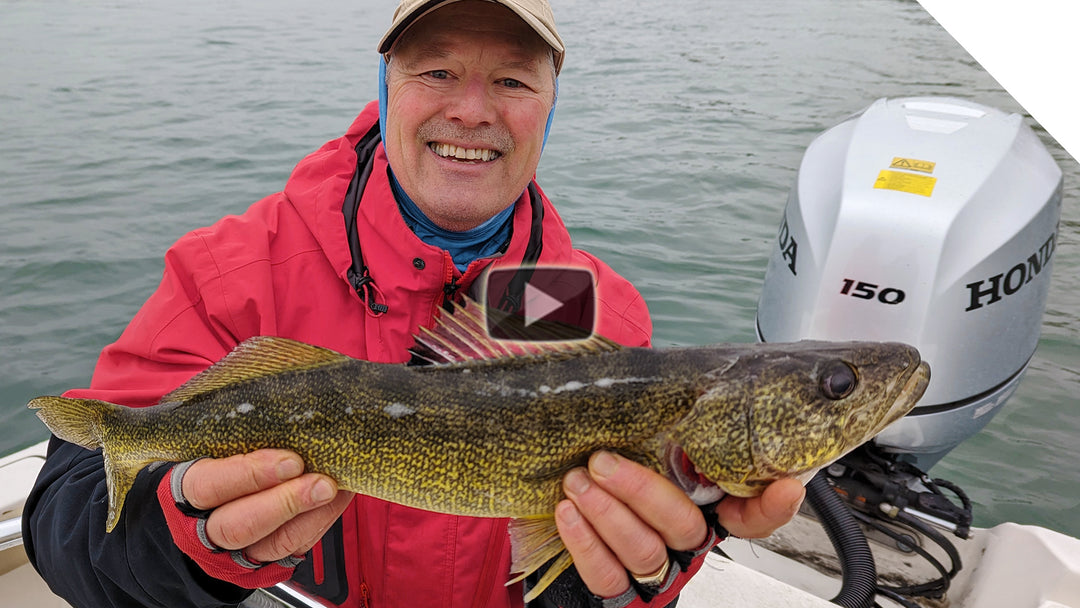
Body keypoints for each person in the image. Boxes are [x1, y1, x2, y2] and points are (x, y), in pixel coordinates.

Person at [23, 1, 806, 607]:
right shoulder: (230, 274)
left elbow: (583, 568)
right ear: (386, 86)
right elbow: (64, 524)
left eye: (512, 79)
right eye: (436, 71)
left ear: (550, 106)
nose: (471, 110)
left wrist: (625, 580)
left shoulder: (599, 317)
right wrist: (182, 533)